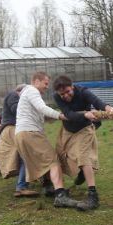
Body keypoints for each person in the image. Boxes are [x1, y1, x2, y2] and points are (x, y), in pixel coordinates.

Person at [15, 72, 84, 209]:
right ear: (37, 81)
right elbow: (43, 108)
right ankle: (60, 196)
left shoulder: (26, 94)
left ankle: (48, 187)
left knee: (43, 161)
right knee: (53, 161)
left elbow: (41, 114)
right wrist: (61, 116)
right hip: (31, 132)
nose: (47, 87)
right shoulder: (32, 91)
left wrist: (61, 115)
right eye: (45, 83)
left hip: (21, 133)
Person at [52, 75, 113, 210]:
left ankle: (93, 196)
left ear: (72, 86)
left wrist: (108, 108)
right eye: (62, 94)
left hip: (84, 129)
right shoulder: (57, 97)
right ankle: (80, 174)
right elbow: (68, 114)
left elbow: (97, 102)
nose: (65, 96)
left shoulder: (83, 92)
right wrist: (85, 114)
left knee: (83, 157)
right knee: (63, 156)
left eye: (68, 91)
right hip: (67, 130)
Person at [0, 84, 38, 197]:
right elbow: (16, 109)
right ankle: (22, 187)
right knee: (27, 155)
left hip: (14, 130)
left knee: (25, 156)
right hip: (13, 129)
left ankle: (25, 183)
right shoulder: (13, 94)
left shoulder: (16, 96)